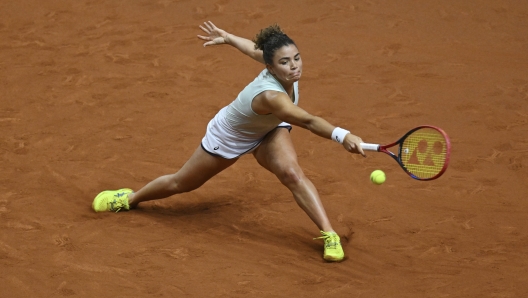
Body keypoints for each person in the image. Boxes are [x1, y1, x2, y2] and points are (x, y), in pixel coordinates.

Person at [92, 21, 366, 262]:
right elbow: (306, 120)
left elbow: (251, 49)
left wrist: (229, 37)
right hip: (229, 137)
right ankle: (129, 198)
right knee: (181, 183)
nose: (294, 66)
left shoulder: (277, 66)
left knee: (292, 173)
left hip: (267, 130)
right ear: (270, 66)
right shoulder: (271, 96)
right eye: (285, 62)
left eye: (296, 58)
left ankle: (329, 234)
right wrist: (343, 135)